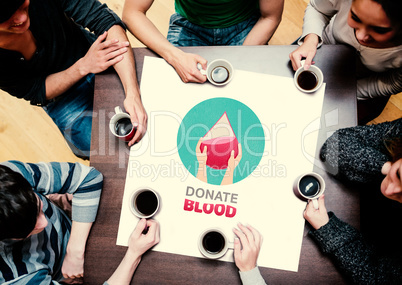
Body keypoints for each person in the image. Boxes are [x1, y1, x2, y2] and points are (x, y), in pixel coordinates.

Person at [0, 0, 147, 159]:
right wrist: (82, 67)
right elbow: (36, 90)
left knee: (150, 102)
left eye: (22, 5)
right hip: (62, 97)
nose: (21, 18)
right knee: (106, 149)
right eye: (6, 18)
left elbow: (105, 21)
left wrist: (132, 93)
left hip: (93, 53)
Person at [0, 160, 160, 284]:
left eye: (39, 208)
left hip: (74, 235)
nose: (44, 223)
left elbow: (89, 178)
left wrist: (74, 252)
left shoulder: (11, 176)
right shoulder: (16, 278)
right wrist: (134, 254)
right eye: (30, 229)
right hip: (72, 274)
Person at [303, 119, 402, 284]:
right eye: (399, 175)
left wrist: (329, 230)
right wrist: (385, 167)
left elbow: (376, 278)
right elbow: (334, 147)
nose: (390, 191)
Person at [289, 0, 402, 125]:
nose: (360, 36)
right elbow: (318, 8)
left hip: (366, 84)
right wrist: (310, 39)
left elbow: (393, 82)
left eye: (379, 30)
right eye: (355, 17)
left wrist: (350, 92)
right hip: (320, 47)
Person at [122, 0, 284, 83]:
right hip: (190, 25)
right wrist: (175, 56)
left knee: (251, 88)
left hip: (245, 25)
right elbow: (132, 13)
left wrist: (241, 59)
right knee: (174, 92)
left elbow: (270, 17)